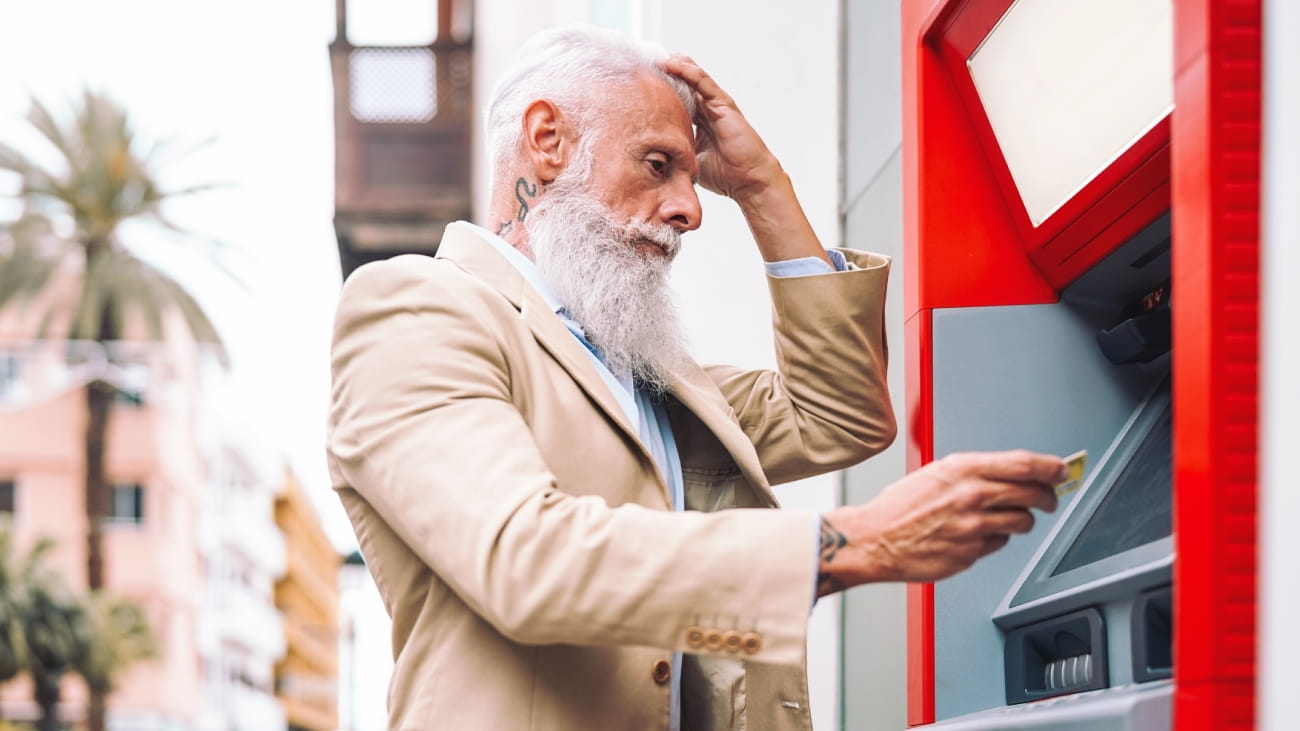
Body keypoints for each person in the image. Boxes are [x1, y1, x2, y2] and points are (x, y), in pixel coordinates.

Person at [326, 25, 1066, 731]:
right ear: (547, 140)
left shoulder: (639, 367)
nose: (688, 209)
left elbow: (840, 415)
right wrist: (854, 542)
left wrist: (761, 186)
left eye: (693, 176)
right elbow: (525, 557)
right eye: (657, 165)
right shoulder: (412, 309)